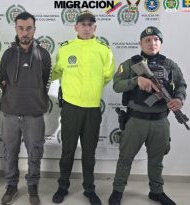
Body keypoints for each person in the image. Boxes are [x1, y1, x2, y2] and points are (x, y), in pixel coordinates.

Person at [108, 26, 187, 205]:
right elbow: (116, 85)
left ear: (160, 43)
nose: (152, 43)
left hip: (160, 121)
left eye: (156, 40)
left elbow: (181, 85)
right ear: (141, 43)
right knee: (125, 158)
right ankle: (117, 191)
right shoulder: (130, 64)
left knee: (157, 159)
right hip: (136, 120)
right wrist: (136, 80)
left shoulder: (170, 65)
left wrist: (179, 99)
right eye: (148, 40)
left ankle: (156, 191)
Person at [51, 10, 115, 205]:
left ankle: (89, 189)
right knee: (68, 150)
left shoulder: (104, 50)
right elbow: (56, 72)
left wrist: (90, 90)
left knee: (89, 152)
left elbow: (107, 76)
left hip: (92, 109)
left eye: (90, 25)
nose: (86, 28)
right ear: (76, 27)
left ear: (95, 28)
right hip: (71, 108)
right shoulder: (65, 49)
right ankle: (62, 187)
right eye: (83, 24)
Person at [0, 12, 51, 205]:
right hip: (10, 115)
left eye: (29, 28)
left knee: (35, 153)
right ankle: (11, 186)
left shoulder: (43, 55)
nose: (25, 32)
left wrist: (33, 99)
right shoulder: (8, 54)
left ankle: (32, 187)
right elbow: (1, 82)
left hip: (34, 116)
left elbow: (46, 83)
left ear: (34, 29)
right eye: (21, 28)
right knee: (9, 152)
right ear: (16, 29)